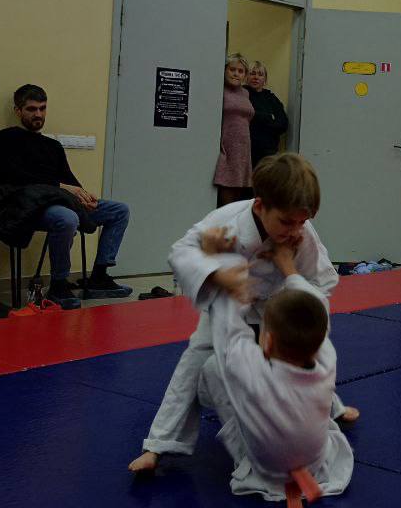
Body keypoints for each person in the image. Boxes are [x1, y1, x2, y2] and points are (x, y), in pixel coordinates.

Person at [130, 153, 355, 475]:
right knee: (193, 363)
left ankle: (331, 407)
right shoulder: (227, 221)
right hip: (227, 303)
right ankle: (158, 445)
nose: (295, 230)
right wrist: (217, 275)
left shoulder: (302, 232)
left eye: (302, 222)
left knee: (305, 352)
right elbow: (181, 252)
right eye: (287, 222)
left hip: (278, 304)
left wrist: (291, 282)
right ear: (260, 206)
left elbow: (321, 281)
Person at [137, 234, 352, 506]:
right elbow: (315, 305)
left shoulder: (252, 368)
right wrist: (289, 268)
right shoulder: (327, 359)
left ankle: (271, 473)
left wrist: (222, 277)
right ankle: (299, 475)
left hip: (268, 467)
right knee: (305, 421)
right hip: (316, 460)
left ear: (267, 341)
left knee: (211, 369)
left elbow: (228, 329)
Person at [0, 84, 131, 307]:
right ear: (18, 111)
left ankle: (99, 276)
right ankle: (59, 284)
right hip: (26, 205)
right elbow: (14, 177)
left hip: (58, 200)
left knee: (119, 210)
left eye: (42, 108)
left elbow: (69, 180)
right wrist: (62, 187)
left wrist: (83, 197)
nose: (38, 114)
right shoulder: (5, 139)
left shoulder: (52, 146)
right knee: (67, 218)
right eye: (32, 109)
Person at [215, 53, 255, 207]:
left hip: (243, 150)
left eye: (240, 71)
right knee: (225, 202)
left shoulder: (246, 93)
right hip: (226, 149)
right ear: (225, 70)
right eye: (232, 69)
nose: (236, 74)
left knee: (237, 202)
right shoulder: (219, 90)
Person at [246, 61, 289, 169]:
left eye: (260, 74)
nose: (256, 77)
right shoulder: (242, 94)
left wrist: (258, 118)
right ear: (246, 76)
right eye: (252, 73)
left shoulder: (271, 98)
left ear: (265, 79)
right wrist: (269, 117)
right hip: (246, 152)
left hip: (268, 153)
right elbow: (248, 115)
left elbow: (283, 124)